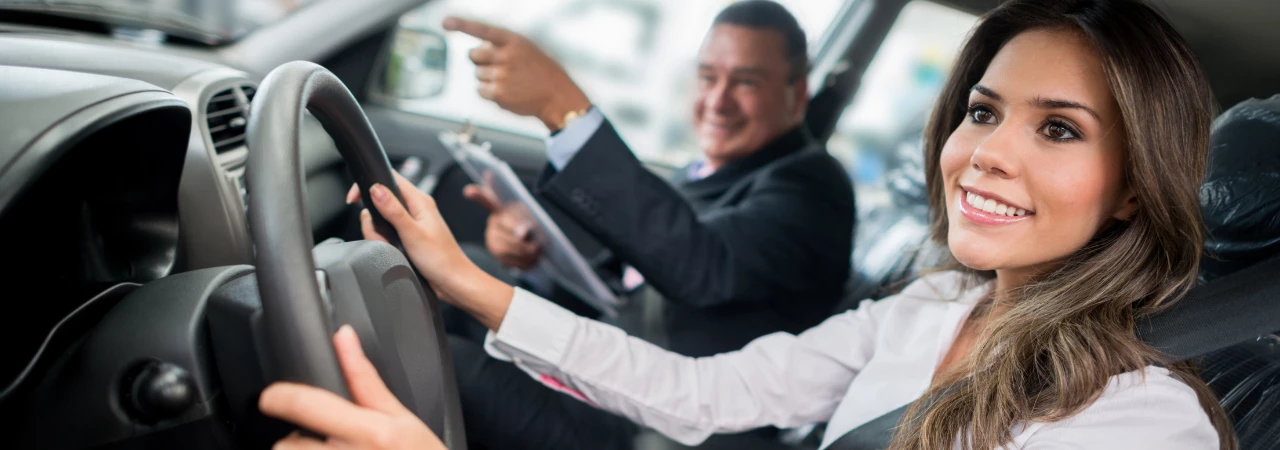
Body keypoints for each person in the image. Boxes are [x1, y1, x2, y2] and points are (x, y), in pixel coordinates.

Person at [265, 0, 1238, 449]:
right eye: (981, 111)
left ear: (1129, 187)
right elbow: (700, 392)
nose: (985, 151)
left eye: (1057, 129)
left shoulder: (1140, 421)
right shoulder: (927, 306)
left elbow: (696, 266)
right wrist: (468, 280)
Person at [441, 0, 856, 358]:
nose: (717, 101)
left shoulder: (812, 186)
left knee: (449, 364)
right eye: (708, 77)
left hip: (656, 418)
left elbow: (698, 264)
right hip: (603, 356)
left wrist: (560, 106)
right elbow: (614, 288)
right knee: (464, 271)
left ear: (797, 94)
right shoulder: (699, 174)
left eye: (746, 82)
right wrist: (535, 263)